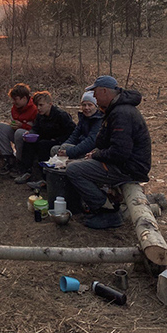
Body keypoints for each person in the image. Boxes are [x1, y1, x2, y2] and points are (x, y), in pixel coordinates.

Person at [66, 75, 151, 229]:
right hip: (126, 163)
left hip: (129, 168)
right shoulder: (114, 110)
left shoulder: (122, 113)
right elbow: (105, 142)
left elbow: (120, 153)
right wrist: (97, 151)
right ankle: (106, 201)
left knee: (74, 170)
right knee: (81, 163)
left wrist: (97, 155)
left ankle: (107, 212)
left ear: (104, 91)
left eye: (96, 93)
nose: (95, 98)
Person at [14, 91, 75, 184]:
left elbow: (72, 132)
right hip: (45, 139)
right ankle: (26, 171)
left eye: (41, 105)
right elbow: (35, 128)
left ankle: (44, 177)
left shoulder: (61, 115)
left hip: (59, 141)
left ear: (49, 104)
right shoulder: (40, 116)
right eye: (37, 105)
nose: (38, 108)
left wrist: (58, 140)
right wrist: (30, 133)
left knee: (44, 145)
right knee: (28, 142)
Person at [0, 83, 38, 176]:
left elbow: (37, 129)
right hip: (16, 135)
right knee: (0, 127)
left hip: (28, 140)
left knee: (19, 133)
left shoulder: (34, 109)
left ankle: (20, 162)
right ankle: (8, 158)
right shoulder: (15, 108)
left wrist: (22, 126)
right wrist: (13, 125)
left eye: (16, 99)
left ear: (24, 98)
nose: (14, 102)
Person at [50, 92, 103, 159]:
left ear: (96, 106)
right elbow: (74, 136)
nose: (86, 108)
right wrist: (62, 148)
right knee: (55, 149)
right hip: (78, 146)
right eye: (84, 105)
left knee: (65, 148)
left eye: (90, 105)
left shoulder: (99, 120)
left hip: (90, 151)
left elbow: (90, 142)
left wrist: (69, 151)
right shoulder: (83, 119)